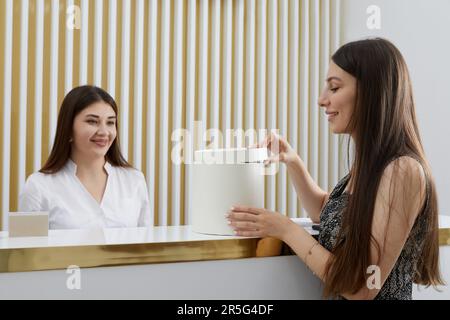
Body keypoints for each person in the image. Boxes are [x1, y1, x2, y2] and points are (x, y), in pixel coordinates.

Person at [226, 38, 443, 299]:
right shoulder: (370, 169)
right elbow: (328, 213)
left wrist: (285, 228)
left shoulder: (402, 172)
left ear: (371, 92)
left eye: (334, 88)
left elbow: (362, 286)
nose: (321, 100)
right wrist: (293, 162)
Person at [19, 85, 151, 229]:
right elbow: (27, 250)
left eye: (110, 122)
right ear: (68, 129)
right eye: (92, 121)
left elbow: (146, 246)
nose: (104, 132)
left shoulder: (134, 180)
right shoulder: (38, 186)